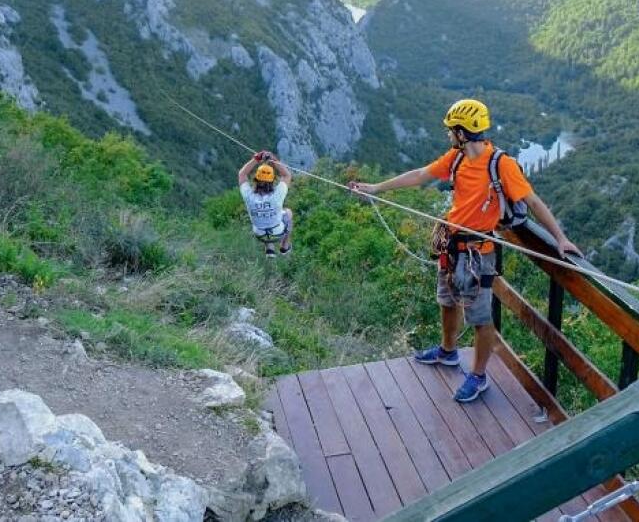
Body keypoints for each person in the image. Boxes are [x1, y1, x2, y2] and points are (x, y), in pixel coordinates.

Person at [349, 99, 580, 402]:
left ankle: (479, 375)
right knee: (446, 301)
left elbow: (533, 202)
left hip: (478, 254)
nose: (448, 135)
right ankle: (447, 352)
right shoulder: (456, 159)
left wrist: (560, 238)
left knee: (480, 318)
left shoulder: (501, 165)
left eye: (450, 131)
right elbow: (421, 174)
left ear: (461, 131)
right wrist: (376, 188)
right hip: (452, 245)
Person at [238, 151, 293, 258]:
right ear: (272, 180)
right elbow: (286, 175)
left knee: (264, 219)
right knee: (288, 212)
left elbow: (242, 174)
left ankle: (269, 248)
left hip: (259, 235)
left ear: (256, 179)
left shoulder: (248, 195)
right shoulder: (277, 194)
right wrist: (273, 159)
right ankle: (285, 246)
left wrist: (256, 159)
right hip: (277, 234)